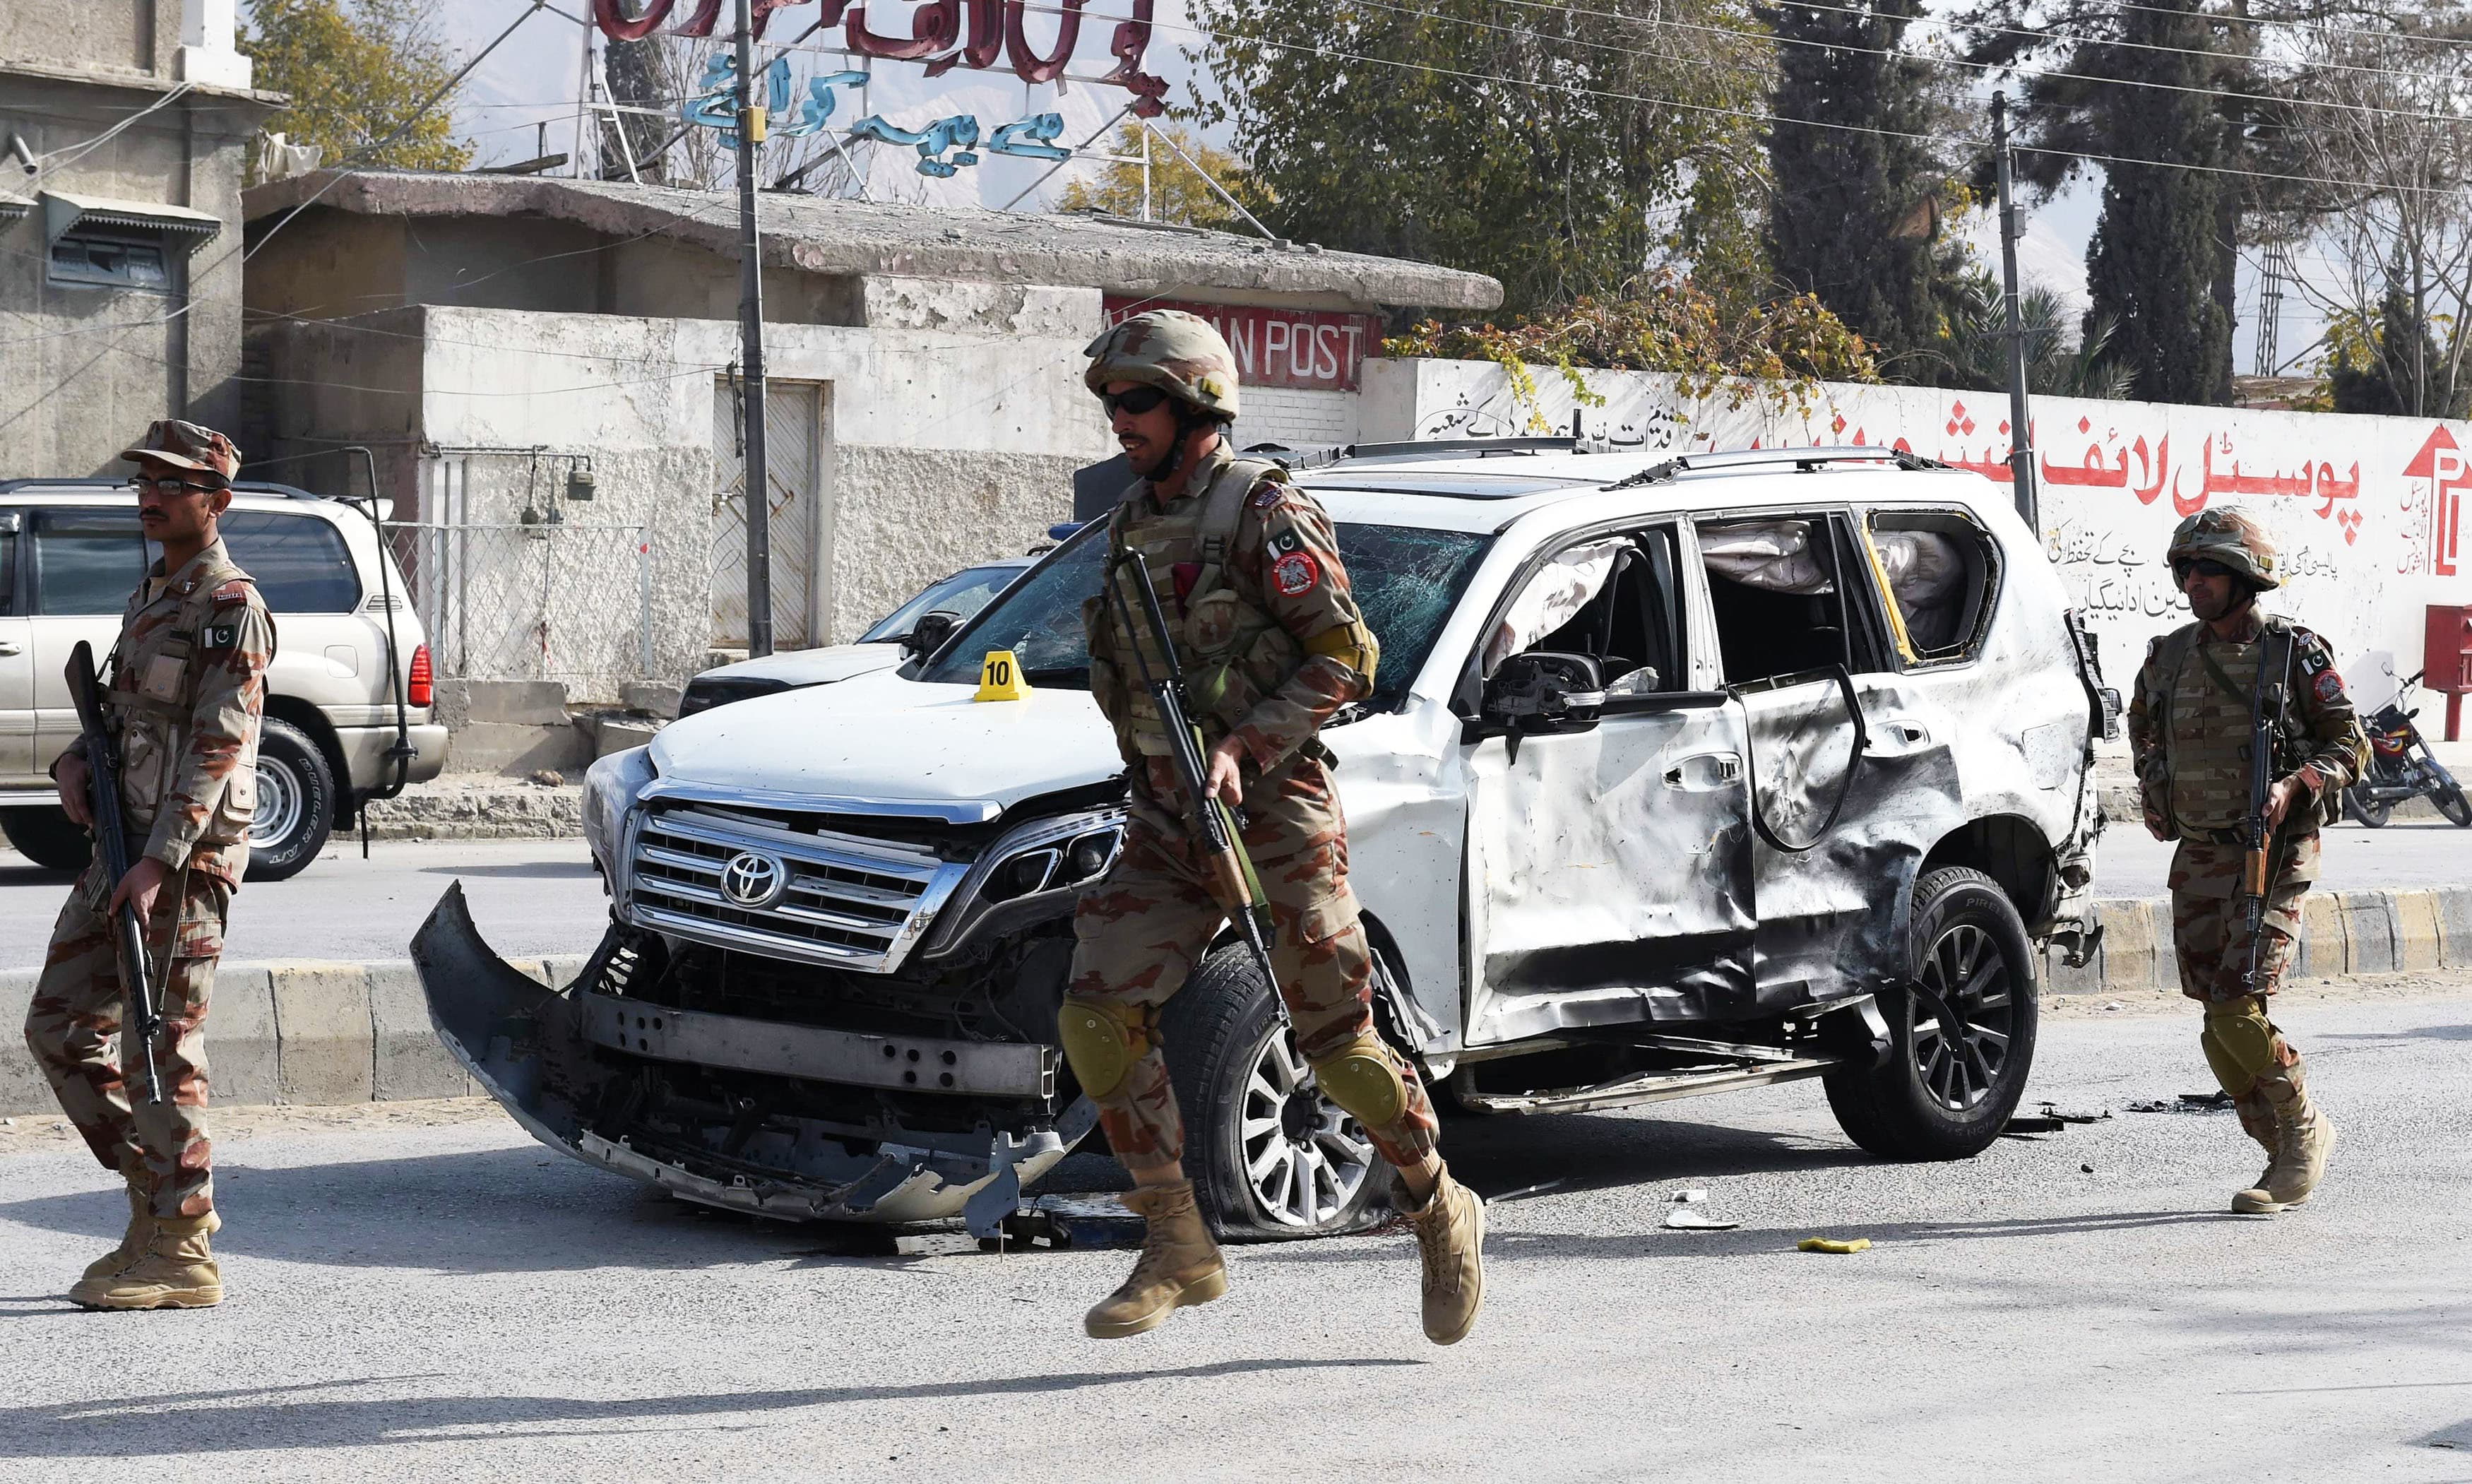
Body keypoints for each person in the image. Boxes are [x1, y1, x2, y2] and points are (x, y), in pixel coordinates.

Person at [1062, 310, 1485, 1343]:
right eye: (1113, 402)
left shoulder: (1265, 510)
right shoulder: (1130, 524)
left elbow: (1344, 655)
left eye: (1138, 401)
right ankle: (1175, 1238)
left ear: (1196, 404)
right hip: (1170, 814)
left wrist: (1244, 747)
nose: (1120, 420)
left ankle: (1437, 1201)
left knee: (1336, 1046)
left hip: (1275, 808)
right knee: (1095, 1013)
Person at [24, 420, 273, 1309]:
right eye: (146, 481)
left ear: (218, 501)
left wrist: (163, 862)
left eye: (172, 484)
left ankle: (182, 1248)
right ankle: (161, 1203)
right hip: (118, 853)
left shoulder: (230, 606)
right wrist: (75, 764)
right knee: (56, 1028)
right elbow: (135, 722)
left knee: (160, 1051)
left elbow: (217, 747)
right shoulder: (156, 593)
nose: (151, 495)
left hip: (178, 866)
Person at [2126, 508, 2367, 1216]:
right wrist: (2153, 788)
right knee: (2214, 1019)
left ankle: (2301, 1134)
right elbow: (2143, 727)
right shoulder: (2168, 654)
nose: (2190, 582)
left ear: (2240, 579)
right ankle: (2273, 1142)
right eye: (2184, 570)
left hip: (2272, 852)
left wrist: (2294, 785)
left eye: (2205, 571)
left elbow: (2349, 744)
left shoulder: (2291, 652)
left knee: (2235, 1007)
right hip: (2198, 853)